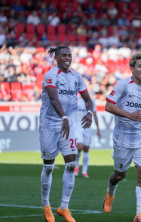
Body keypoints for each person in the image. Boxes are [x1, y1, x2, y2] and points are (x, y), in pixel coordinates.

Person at [102, 53, 141, 222]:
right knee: (119, 175)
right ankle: (110, 193)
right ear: (131, 68)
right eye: (140, 66)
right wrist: (128, 115)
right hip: (122, 139)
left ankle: (139, 214)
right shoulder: (123, 85)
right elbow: (108, 105)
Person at [39, 46, 93, 222]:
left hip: (67, 126)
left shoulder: (77, 77)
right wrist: (63, 117)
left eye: (69, 55)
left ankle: (64, 207)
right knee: (48, 166)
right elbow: (54, 99)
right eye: (64, 55)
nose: (67, 58)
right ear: (56, 57)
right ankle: (46, 204)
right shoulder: (50, 76)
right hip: (49, 125)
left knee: (71, 164)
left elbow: (88, 100)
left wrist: (90, 113)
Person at [75, 93, 101, 178]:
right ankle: (76, 165)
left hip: (87, 128)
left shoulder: (91, 101)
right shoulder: (76, 100)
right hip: (77, 127)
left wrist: (98, 129)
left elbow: (95, 115)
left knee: (86, 148)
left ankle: (84, 171)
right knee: (79, 147)